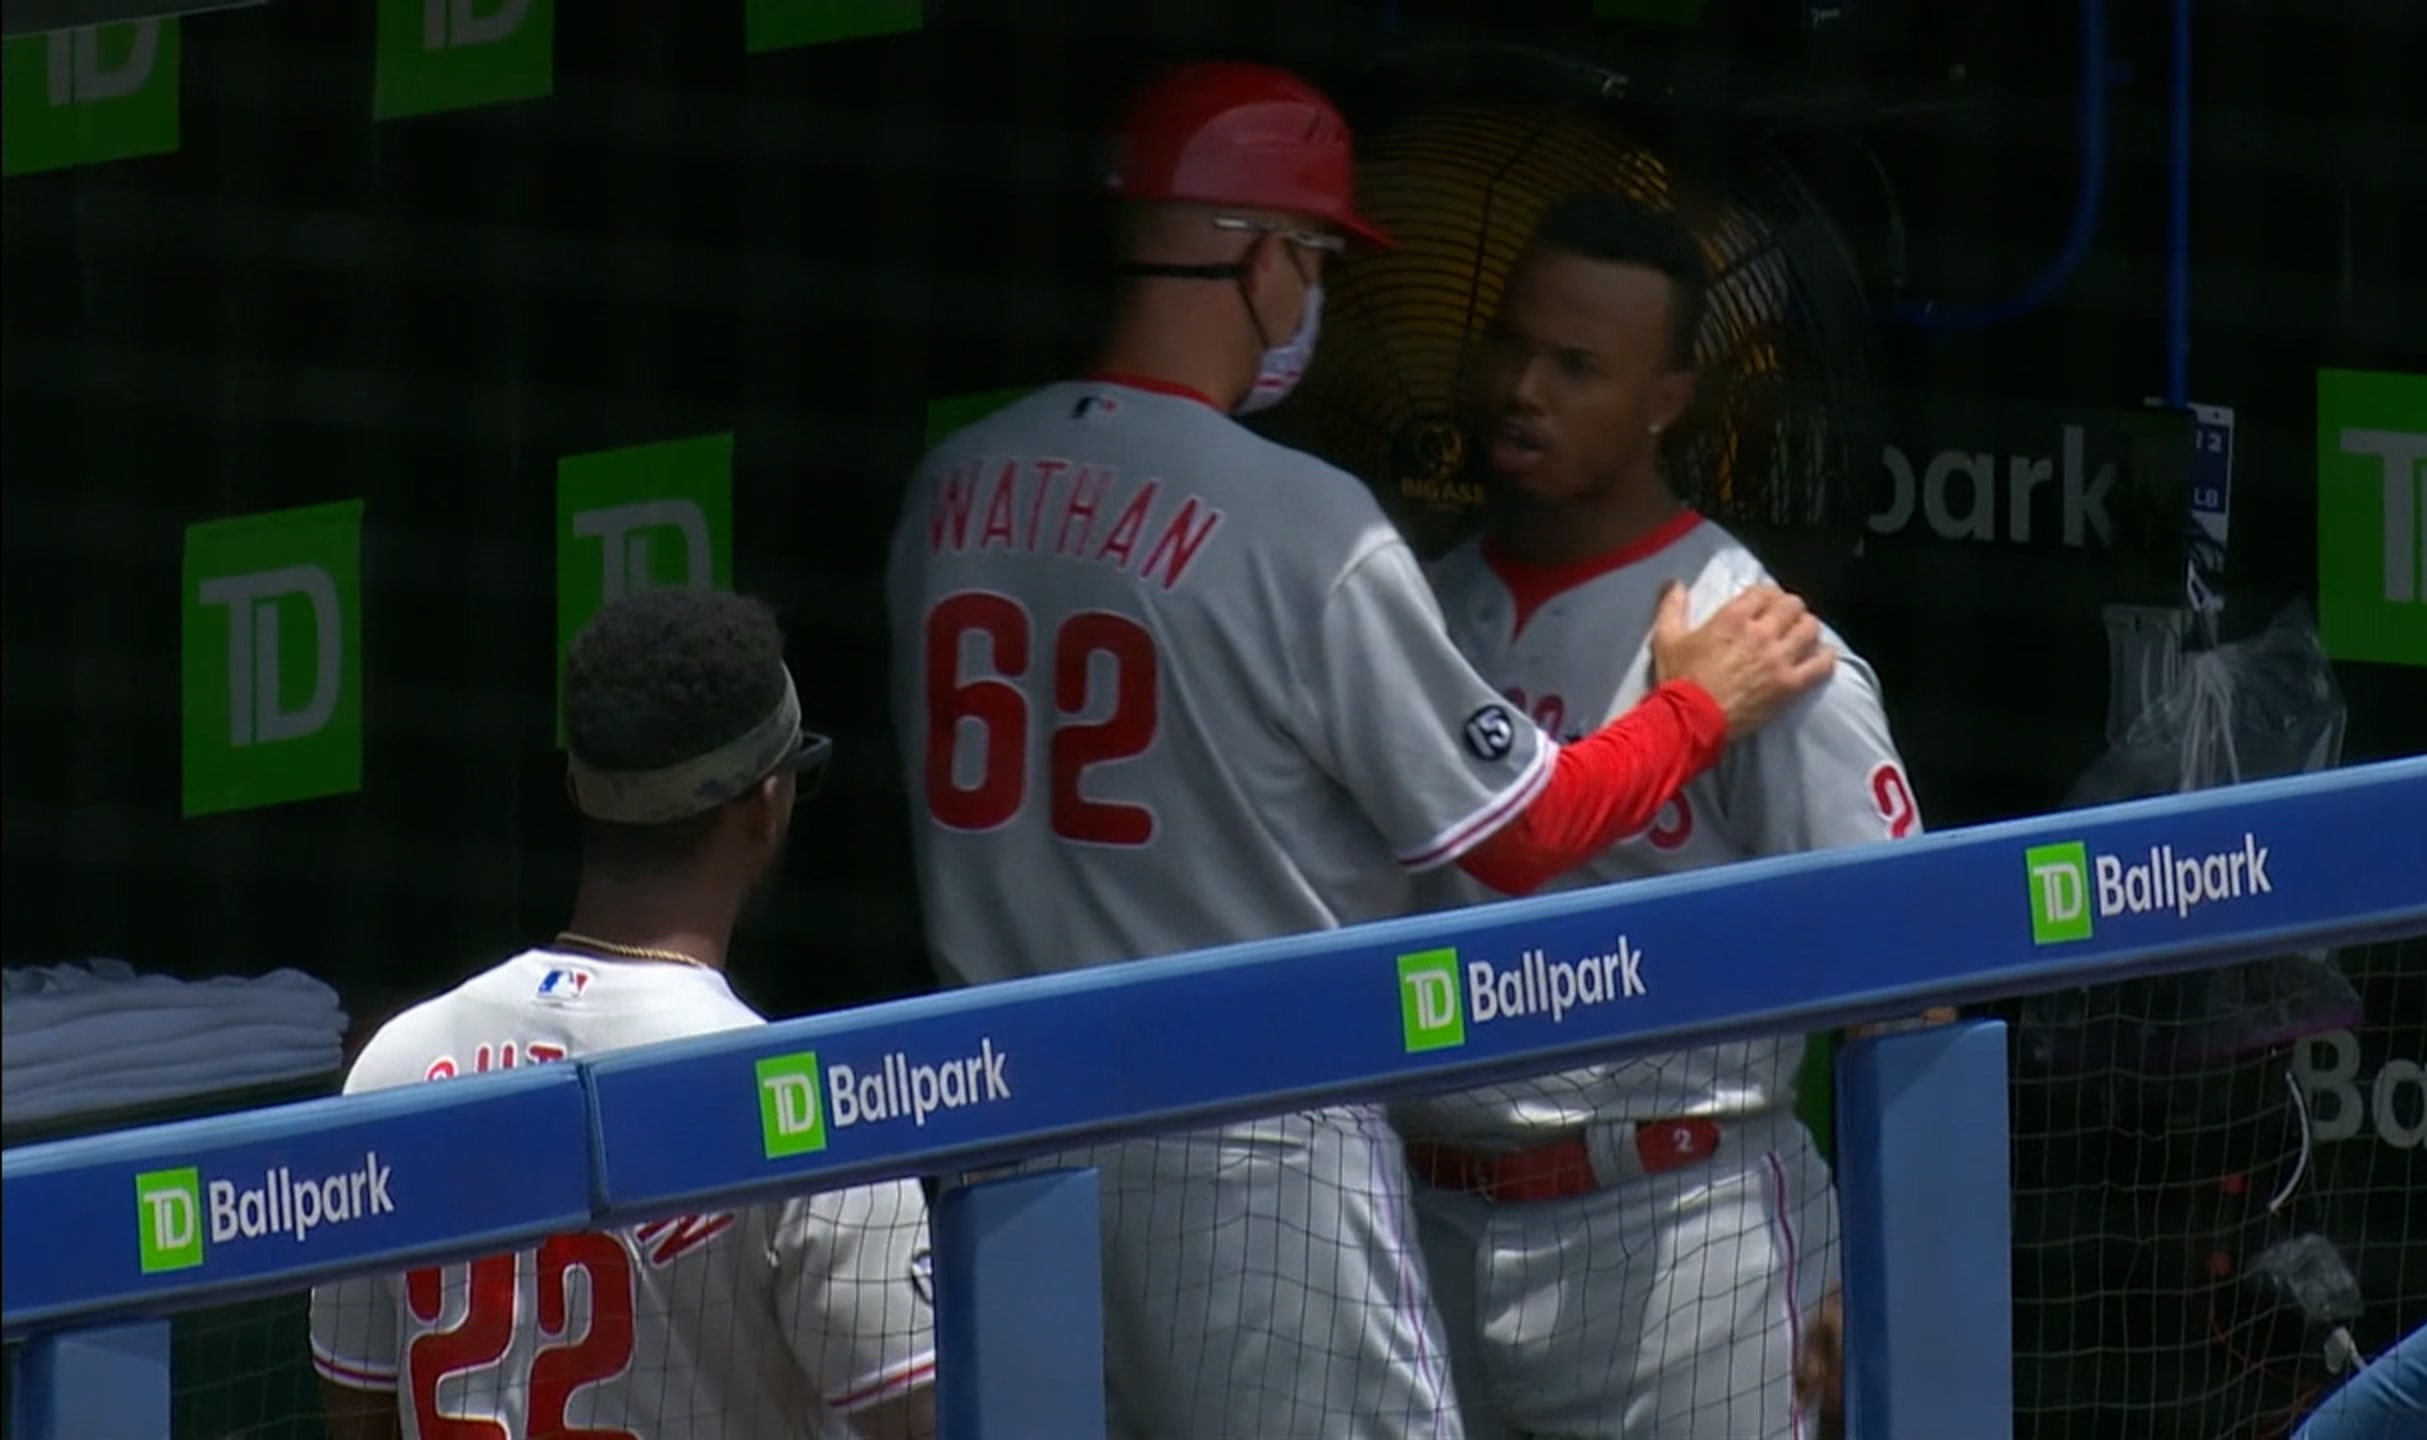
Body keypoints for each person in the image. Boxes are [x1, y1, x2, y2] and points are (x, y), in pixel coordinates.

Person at [883, 62, 1838, 1440]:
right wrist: (1695, 706)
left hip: (1004, 1144)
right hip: (1243, 1159)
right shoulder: (1298, 522)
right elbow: (1528, 833)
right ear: (1267, 260)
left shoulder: (954, 482)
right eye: (1321, 258)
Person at [1392, 191, 1928, 1440]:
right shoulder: (1410, 612)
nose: (1524, 388)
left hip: (1680, 1234)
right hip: (1423, 1221)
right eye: (1512, 346)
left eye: (1578, 366)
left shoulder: (1765, 643)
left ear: (1666, 399)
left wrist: (1886, 1267)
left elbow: (1905, 979)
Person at [309, 587, 937, 1440]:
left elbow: (360, 1419)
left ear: (577, 788)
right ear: (767, 803)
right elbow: (929, 1422)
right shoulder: (811, 1112)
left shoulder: (394, 1067)